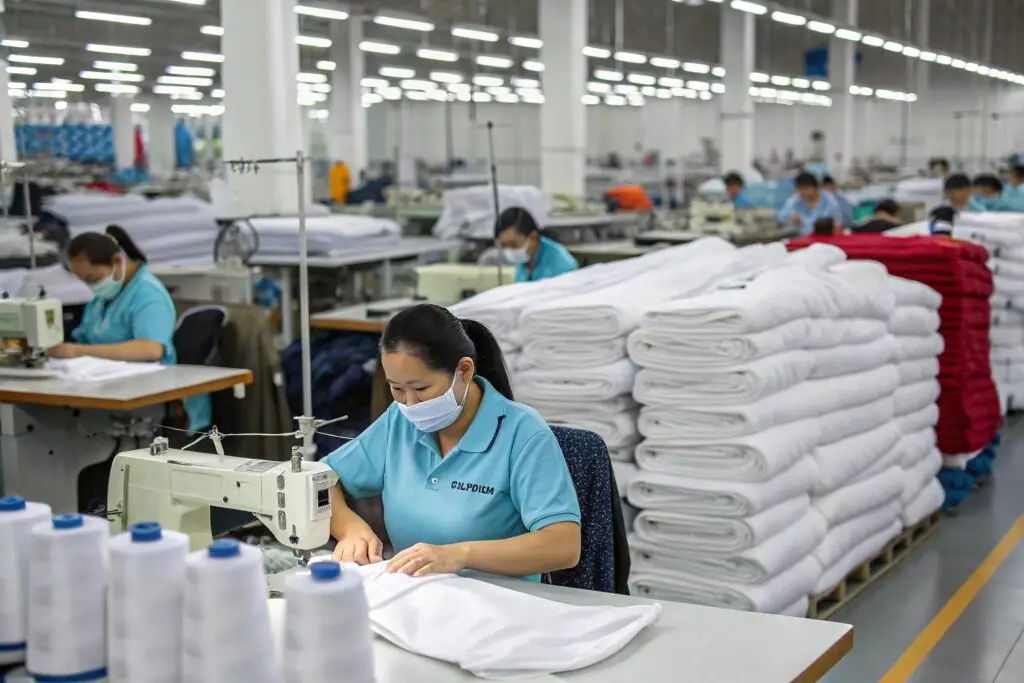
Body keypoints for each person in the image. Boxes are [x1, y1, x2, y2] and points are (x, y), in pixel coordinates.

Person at [325, 304, 582, 578]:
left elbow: (564, 545)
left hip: (500, 606)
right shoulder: (399, 422)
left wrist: (461, 555)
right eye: (397, 389)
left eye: (421, 388)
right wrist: (349, 528)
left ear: (464, 371)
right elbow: (320, 480)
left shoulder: (523, 433)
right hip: (416, 598)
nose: (410, 403)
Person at [55, 226, 209, 432]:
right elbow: (84, 336)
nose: (91, 286)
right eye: (85, 281)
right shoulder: (103, 299)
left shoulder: (148, 295)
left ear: (118, 261)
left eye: (93, 279)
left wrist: (78, 352)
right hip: (110, 388)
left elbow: (151, 349)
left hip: (147, 397)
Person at [494, 207, 579, 283]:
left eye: (514, 245)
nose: (509, 250)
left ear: (533, 237)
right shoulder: (526, 260)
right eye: (504, 246)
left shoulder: (563, 266)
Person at [777, 172, 845, 236]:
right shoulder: (795, 200)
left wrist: (803, 221)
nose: (802, 191)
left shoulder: (829, 201)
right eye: (799, 188)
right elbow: (782, 216)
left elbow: (837, 224)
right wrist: (790, 218)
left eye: (805, 188)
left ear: (816, 187)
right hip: (800, 238)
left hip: (824, 239)